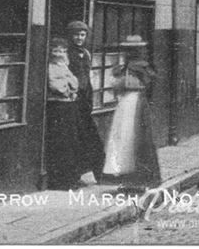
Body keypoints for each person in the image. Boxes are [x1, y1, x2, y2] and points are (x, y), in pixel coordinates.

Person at [102, 35, 162, 191]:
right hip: (126, 103)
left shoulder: (141, 67)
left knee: (136, 137)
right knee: (124, 138)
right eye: (129, 49)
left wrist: (125, 81)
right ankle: (128, 178)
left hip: (137, 102)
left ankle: (140, 178)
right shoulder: (125, 67)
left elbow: (148, 84)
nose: (132, 52)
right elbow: (117, 86)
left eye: (135, 49)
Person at [66, 20, 105, 183]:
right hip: (72, 99)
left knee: (91, 137)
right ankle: (75, 175)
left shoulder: (87, 54)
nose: (79, 38)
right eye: (76, 34)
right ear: (70, 36)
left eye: (82, 34)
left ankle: (99, 173)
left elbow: (87, 77)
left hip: (85, 101)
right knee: (75, 137)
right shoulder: (66, 53)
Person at [45, 38, 83, 190]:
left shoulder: (64, 65)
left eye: (62, 51)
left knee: (70, 141)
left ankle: (70, 178)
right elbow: (54, 85)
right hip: (57, 106)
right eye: (56, 51)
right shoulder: (50, 67)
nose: (59, 54)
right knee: (60, 142)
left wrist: (71, 87)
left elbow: (75, 81)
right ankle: (61, 181)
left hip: (68, 105)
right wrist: (68, 89)